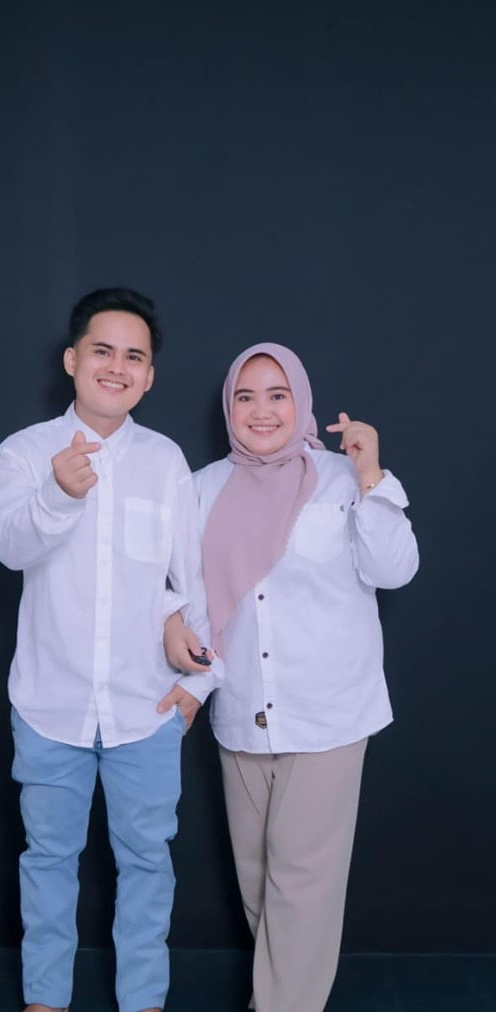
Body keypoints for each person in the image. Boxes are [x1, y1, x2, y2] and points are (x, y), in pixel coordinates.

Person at [165, 342, 419, 1012]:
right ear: (228, 408)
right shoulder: (201, 487)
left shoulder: (341, 477)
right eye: (245, 396)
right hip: (240, 709)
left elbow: (393, 569)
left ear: (300, 402)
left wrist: (371, 474)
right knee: (260, 884)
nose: (261, 410)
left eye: (277, 395)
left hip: (327, 711)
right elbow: (186, 595)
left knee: (301, 884)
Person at [0, 288, 222, 1012]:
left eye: (133, 356)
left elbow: (190, 581)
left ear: (148, 376)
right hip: (48, 704)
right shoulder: (25, 452)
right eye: (102, 350)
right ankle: (44, 1000)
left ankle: (143, 1001)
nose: (116, 367)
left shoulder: (165, 461)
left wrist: (196, 689)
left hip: (144, 710)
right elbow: (8, 548)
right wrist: (59, 493)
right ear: (71, 360)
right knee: (48, 860)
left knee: (147, 862)